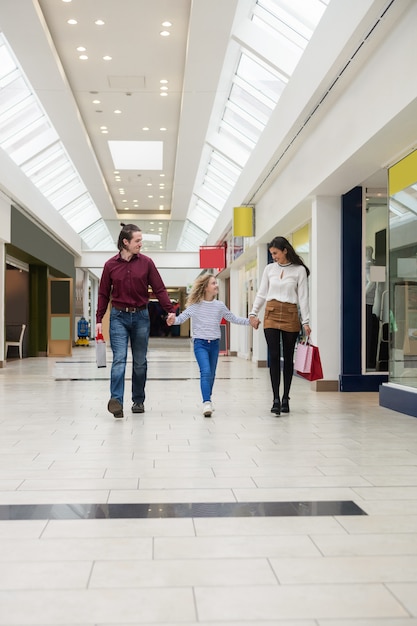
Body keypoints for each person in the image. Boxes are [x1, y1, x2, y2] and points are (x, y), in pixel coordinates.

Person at [96, 223, 175, 418]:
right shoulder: (110, 265)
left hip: (141, 316)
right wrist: (99, 318)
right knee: (119, 360)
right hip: (118, 317)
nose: (141, 244)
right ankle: (116, 401)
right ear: (125, 242)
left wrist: (170, 311)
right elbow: (103, 294)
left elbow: (159, 288)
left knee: (140, 362)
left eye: (141, 240)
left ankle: (138, 400)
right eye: (137, 240)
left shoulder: (146, 263)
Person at [167, 273, 259, 417]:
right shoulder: (195, 306)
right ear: (205, 288)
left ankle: (208, 398)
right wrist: (172, 320)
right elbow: (181, 318)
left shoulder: (219, 306)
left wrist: (250, 321)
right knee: (206, 371)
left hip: (215, 344)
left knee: (212, 374)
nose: (216, 285)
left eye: (216, 283)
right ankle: (206, 402)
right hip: (200, 344)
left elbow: (233, 318)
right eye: (213, 283)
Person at [249, 236, 311, 416]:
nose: (273, 256)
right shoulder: (269, 269)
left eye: (275, 253)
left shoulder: (299, 270)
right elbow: (262, 293)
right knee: (274, 355)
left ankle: (286, 397)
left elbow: (303, 297)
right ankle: (275, 398)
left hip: (291, 314)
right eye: (271, 254)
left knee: (288, 357)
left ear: (285, 250)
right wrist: (253, 312)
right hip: (271, 312)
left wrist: (306, 321)